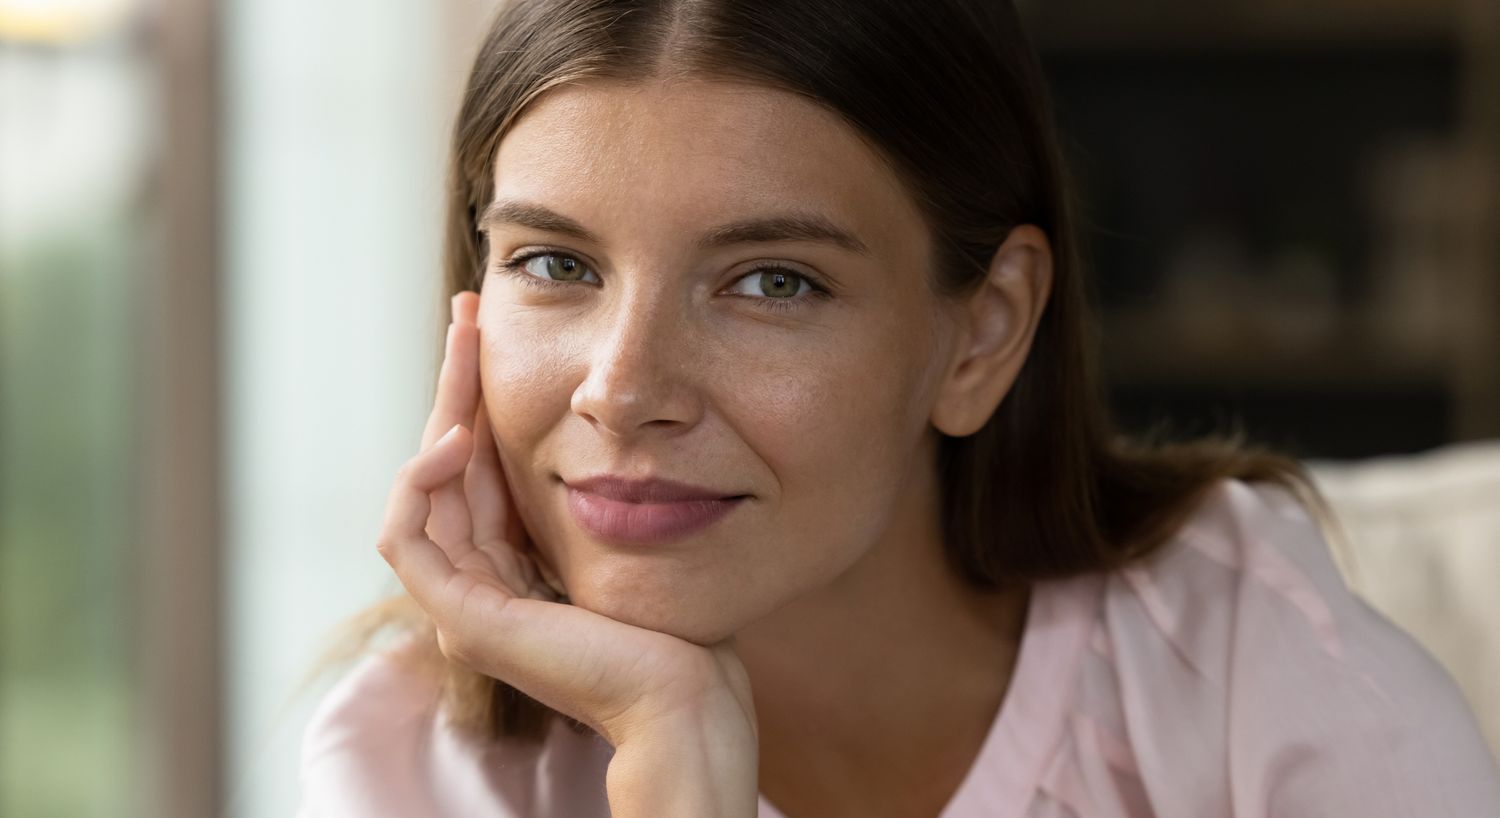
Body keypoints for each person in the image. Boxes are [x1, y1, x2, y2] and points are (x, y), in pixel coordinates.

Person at [293, 0, 1500, 815]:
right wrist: (675, 758)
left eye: (773, 281)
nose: (624, 388)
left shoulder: (1242, 663)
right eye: (555, 264)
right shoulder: (409, 767)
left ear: (983, 329)